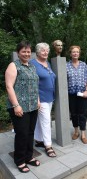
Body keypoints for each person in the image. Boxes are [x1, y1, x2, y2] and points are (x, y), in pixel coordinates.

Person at [5, 41, 40, 173]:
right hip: (19, 107)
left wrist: (37, 100)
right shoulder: (13, 66)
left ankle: (28, 156)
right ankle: (19, 160)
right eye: (23, 51)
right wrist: (16, 105)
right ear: (18, 53)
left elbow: (35, 85)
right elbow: (9, 86)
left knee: (31, 133)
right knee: (22, 134)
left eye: (28, 51)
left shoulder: (32, 66)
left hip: (32, 106)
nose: (26, 53)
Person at [30, 43, 56, 157]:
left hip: (50, 97)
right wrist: (37, 99)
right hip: (41, 97)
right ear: (37, 52)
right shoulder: (33, 63)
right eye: (42, 51)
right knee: (46, 121)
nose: (45, 52)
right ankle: (48, 145)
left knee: (41, 121)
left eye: (47, 50)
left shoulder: (47, 63)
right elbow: (32, 82)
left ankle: (39, 140)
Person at [67, 45, 87, 144]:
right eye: (73, 52)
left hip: (82, 94)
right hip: (71, 94)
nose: (75, 53)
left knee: (82, 114)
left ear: (79, 53)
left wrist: (86, 90)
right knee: (73, 113)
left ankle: (83, 134)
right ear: (70, 54)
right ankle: (76, 131)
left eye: (77, 52)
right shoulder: (66, 65)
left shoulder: (84, 65)